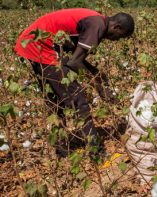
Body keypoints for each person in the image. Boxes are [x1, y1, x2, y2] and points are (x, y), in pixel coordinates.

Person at [15, 8, 135, 145]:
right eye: (120, 35)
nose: (117, 40)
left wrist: (95, 73)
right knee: (77, 97)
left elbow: (75, 56)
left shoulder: (98, 21)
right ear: (116, 26)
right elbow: (74, 62)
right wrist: (97, 84)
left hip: (34, 42)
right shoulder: (97, 26)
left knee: (55, 98)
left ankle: (60, 147)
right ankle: (95, 148)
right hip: (41, 45)